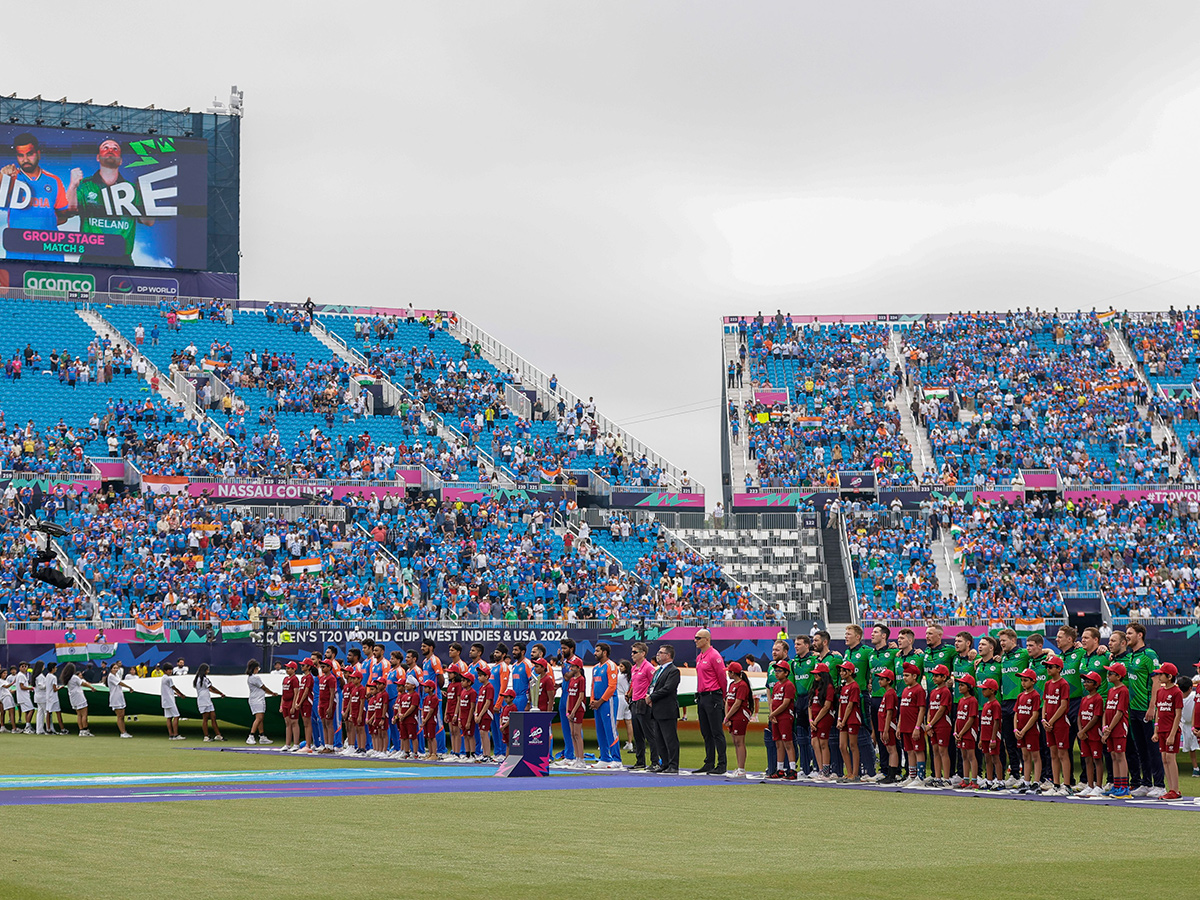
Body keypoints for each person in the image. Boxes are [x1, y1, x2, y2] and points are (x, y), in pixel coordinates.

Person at [73, 138, 159, 267]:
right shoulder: (85, 185)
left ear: (121, 160)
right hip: (90, 258)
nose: (110, 150)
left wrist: (145, 195)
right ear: (98, 157)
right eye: (105, 147)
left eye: (115, 148)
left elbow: (149, 221)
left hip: (122, 261)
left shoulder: (133, 189)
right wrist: (72, 186)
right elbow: (68, 211)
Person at [1124, 623, 1165, 798]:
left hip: (1146, 709)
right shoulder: (1131, 656)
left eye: (1130, 633)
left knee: (1152, 748)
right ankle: (1146, 783)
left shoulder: (1149, 655)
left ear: (1140, 635)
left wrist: (1152, 707)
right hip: (1133, 708)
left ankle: (1160, 785)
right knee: (1140, 747)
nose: (1127, 636)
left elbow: (1156, 682)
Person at [691, 629, 728, 775]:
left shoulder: (714, 656)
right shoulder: (700, 656)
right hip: (702, 696)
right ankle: (709, 762)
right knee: (706, 731)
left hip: (713, 695)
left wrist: (722, 696)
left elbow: (722, 677)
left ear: (707, 639)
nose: (695, 640)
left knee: (716, 731)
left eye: (698, 638)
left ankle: (722, 763)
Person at [1151, 662, 1184, 801]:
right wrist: (1156, 730)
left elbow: (1178, 715)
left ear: (1169, 676)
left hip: (1171, 731)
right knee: (1164, 759)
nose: (1158, 676)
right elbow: (1158, 712)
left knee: (1170, 758)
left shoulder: (1176, 692)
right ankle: (1171, 789)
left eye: (1161, 674)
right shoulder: (1160, 691)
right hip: (1162, 730)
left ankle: (1175, 790)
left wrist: (1172, 733)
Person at [646, 644, 680, 774]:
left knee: (670, 739)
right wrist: (649, 696)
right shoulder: (658, 670)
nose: (658, 655)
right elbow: (653, 685)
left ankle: (673, 764)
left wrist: (652, 697)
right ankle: (665, 763)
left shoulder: (673, 671)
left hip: (667, 709)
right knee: (659, 739)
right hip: (656, 709)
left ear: (668, 655)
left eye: (661, 653)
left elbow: (668, 688)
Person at [1101, 662, 1131, 798]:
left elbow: (1119, 712)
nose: (1108, 676)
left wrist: (1109, 729)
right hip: (1110, 728)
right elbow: (1107, 710)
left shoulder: (1123, 690)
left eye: (1111, 673)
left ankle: (1124, 787)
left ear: (1119, 676)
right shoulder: (1111, 690)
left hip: (1118, 728)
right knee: (1113, 755)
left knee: (1120, 755)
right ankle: (1117, 785)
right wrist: (1105, 728)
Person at [1042, 656, 1071, 795]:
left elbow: (1063, 706)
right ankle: (1056, 784)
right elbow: (1046, 703)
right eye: (1047, 666)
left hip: (1059, 723)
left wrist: (1051, 721)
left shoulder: (1063, 684)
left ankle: (1067, 785)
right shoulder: (1048, 684)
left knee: (1062, 754)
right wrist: (1043, 720)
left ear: (1059, 669)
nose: (1048, 669)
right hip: (1049, 723)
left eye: (1051, 666)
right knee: (1053, 754)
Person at [590, 642, 622, 768]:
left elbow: (612, 686)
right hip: (597, 702)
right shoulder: (595, 667)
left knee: (610, 729)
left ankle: (617, 759)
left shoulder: (611, 666)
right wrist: (593, 700)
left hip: (608, 702)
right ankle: (604, 757)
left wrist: (600, 701)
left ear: (604, 652)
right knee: (600, 730)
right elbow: (593, 685)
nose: (595, 653)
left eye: (597, 651)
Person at [767, 659, 797, 781]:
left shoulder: (789, 685)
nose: (776, 673)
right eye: (775, 671)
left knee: (788, 743)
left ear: (786, 673)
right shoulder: (777, 685)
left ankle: (792, 769)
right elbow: (774, 700)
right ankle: (780, 769)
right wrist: (772, 714)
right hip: (776, 717)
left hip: (785, 716)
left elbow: (785, 703)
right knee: (778, 743)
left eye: (779, 671)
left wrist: (773, 713)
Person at [923, 664, 953, 787]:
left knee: (943, 751)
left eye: (937, 675)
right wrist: (929, 724)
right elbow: (931, 708)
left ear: (944, 677)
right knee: (934, 751)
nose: (934, 678)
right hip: (933, 725)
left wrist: (931, 724)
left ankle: (946, 778)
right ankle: (937, 776)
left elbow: (941, 709)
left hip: (943, 724)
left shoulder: (945, 691)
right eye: (933, 675)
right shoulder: (933, 691)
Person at [897, 662, 927, 787]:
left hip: (914, 726)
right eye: (903, 675)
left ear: (914, 676)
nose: (904, 678)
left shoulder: (919, 690)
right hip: (905, 726)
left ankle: (920, 777)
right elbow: (902, 709)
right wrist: (899, 726)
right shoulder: (904, 690)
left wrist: (917, 727)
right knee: (909, 751)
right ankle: (912, 775)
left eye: (907, 675)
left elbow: (921, 709)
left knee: (918, 750)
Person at [1077, 671, 1106, 796]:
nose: (1085, 684)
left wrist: (1084, 730)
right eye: (1085, 681)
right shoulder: (1084, 699)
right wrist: (1080, 730)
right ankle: (1090, 785)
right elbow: (1079, 716)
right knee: (1087, 759)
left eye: (1089, 681)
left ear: (1096, 684)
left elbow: (1095, 717)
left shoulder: (1098, 699)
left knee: (1097, 759)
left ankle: (1099, 786)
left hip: (1094, 734)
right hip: (1084, 735)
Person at [722, 661, 752, 778]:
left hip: (740, 716)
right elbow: (727, 701)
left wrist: (727, 716)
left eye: (729, 672)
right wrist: (727, 717)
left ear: (733, 673)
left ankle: (741, 769)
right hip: (732, 716)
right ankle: (739, 768)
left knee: (740, 742)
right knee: (735, 742)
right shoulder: (732, 685)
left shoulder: (742, 685)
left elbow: (737, 703)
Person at [1013, 669, 1041, 793]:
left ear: (1033, 681)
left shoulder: (1035, 695)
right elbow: (1016, 713)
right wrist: (1016, 729)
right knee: (1025, 756)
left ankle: (1036, 782)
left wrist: (1023, 730)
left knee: (1035, 755)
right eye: (1022, 680)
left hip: (1031, 731)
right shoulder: (1020, 696)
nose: (1023, 683)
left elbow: (1035, 715)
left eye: (1025, 680)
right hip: (1020, 731)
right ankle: (1026, 781)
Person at [628, 643, 655, 770]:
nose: (632, 654)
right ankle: (640, 761)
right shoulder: (634, 668)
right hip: (634, 702)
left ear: (643, 653)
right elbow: (634, 684)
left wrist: (649, 698)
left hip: (643, 703)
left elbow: (654, 683)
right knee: (637, 734)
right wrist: (629, 694)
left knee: (649, 734)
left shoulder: (648, 667)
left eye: (635, 652)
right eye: (632, 652)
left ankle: (655, 761)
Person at [836, 660, 862, 783]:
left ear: (850, 672)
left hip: (852, 719)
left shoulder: (854, 686)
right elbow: (842, 704)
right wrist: (839, 719)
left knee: (852, 745)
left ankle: (855, 774)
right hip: (844, 720)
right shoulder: (844, 686)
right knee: (842, 746)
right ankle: (849, 772)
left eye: (843, 670)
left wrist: (843, 720)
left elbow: (850, 706)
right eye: (840, 670)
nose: (841, 673)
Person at [953, 673, 979, 790]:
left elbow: (971, 718)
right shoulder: (961, 700)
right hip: (960, 733)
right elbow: (958, 717)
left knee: (971, 755)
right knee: (963, 756)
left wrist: (962, 732)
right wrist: (956, 732)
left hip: (968, 733)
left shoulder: (972, 700)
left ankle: (974, 780)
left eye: (962, 685)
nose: (959, 687)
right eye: (959, 685)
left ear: (969, 687)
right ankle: (965, 779)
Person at [979, 678, 1003, 791]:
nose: (983, 692)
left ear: (992, 690)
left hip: (992, 736)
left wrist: (993, 738)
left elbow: (996, 722)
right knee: (987, 759)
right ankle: (989, 780)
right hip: (984, 736)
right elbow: (983, 722)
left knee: (995, 758)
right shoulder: (985, 705)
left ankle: (1000, 781)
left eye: (985, 689)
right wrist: (980, 739)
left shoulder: (995, 704)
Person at [246, 659, 277, 745]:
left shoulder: (251, 677)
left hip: (258, 699)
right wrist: (272, 693)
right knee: (259, 718)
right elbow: (263, 687)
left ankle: (262, 736)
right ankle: (251, 736)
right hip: (256, 700)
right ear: (255, 668)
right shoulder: (255, 677)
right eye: (257, 668)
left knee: (260, 719)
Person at [193, 663, 225, 742]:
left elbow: (209, 689)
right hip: (204, 700)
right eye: (207, 670)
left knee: (213, 717)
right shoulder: (203, 679)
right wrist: (221, 693)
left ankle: (218, 735)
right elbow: (211, 687)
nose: (208, 671)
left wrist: (219, 693)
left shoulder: (197, 679)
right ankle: (206, 736)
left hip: (206, 699)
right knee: (205, 718)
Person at [60, 663, 93, 737]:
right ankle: (85, 730)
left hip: (73, 697)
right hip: (79, 696)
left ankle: (81, 730)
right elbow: (83, 683)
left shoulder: (67, 678)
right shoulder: (74, 677)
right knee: (84, 714)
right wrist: (92, 687)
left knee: (79, 715)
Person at [566, 656, 588, 768]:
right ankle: (576, 758)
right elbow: (569, 695)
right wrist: (567, 711)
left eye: (573, 666)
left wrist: (574, 711)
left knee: (577, 734)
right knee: (572, 734)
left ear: (578, 668)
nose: (571, 668)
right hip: (571, 710)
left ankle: (581, 759)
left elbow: (581, 697)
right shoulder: (572, 680)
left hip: (578, 709)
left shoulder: (581, 680)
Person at [342, 669, 367, 755]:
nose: (352, 680)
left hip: (359, 711)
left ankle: (362, 748)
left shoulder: (361, 689)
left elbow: (361, 702)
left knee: (361, 729)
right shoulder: (354, 689)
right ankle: (358, 748)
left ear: (359, 679)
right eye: (352, 678)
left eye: (354, 678)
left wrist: (360, 715)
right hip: (354, 712)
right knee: (357, 729)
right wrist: (351, 714)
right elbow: (351, 701)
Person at [474, 663, 495, 762]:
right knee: (481, 733)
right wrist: (476, 713)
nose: (478, 677)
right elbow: (479, 701)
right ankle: (484, 754)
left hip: (486, 713)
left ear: (486, 676)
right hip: (480, 713)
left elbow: (488, 702)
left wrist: (480, 714)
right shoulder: (481, 687)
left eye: (480, 675)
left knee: (485, 732)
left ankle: (487, 755)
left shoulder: (489, 687)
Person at [395, 677, 420, 759]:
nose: (406, 685)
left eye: (408, 684)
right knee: (404, 736)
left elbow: (412, 707)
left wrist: (404, 715)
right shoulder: (404, 696)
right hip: (403, 719)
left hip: (411, 719)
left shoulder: (415, 695)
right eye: (406, 684)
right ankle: (406, 752)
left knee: (412, 736)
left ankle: (415, 753)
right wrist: (400, 714)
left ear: (413, 686)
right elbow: (400, 706)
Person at [317, 658, 338, 753]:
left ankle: (330, 746)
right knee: (324, 724)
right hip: (321, 703)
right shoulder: (322, 678)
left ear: (329, 667)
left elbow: (332, 693)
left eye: (324, 666)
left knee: (329, 724)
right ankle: (326, 745)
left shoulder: (331, 678)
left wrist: (330, 707)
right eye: (321, 667)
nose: (322, 668)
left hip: (328, 703)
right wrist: (318, 705)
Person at [107, 663, 133, 738]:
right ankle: (122, 732)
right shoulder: (111, 676)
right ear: (111, 669)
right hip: (115, 698)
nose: (116, 669)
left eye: (117, 668)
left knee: (122, 715)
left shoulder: (117, 675)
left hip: (120, 696)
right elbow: (120, 683)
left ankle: (124, 732)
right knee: (119, 716)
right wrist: (129, 687)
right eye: (114, 668)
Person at [296, 659, 316, 752]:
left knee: (307, 723)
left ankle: (308, 745)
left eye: (304, 665)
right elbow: (301, 691)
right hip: (303, 702)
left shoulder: (309, 677)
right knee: (305, 723)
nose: (302, 667)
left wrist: (299, 703)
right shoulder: (303, 678)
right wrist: (297, 702)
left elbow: (306, 691)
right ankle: (308, 744)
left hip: (307, 702)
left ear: (308, 667)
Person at [366, 680, 390, 758]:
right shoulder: (379, 695)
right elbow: (377, 708)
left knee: (384, 733)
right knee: (379, 733)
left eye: (380, 684)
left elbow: (385, 706)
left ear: (384, 685)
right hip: (377, 717)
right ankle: (379, 750)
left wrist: (383, 718)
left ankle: (384, 750)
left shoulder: (385, 694)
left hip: (382, 716)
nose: (378, 685)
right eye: (378, 684)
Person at [281, 661, 301, 752]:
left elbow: (296, 693)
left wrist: (294, 705)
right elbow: (283, 693)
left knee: (294, 723)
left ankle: (296, 744)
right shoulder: (285, 679)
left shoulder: (295, 679)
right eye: (287, 668)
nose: (287, 670)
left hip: (291, 702)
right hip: (285, 702)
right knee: (287, 723)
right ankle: (287, 744)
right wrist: (281, 705)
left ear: (294, 669)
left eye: (289, 668)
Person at [616, 659, 635, 752]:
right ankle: (630, 743)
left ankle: (610, 742)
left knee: (615, 721)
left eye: (621, 666)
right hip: (628, 699)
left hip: (620, 698)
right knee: (628, 721)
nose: (619, 668)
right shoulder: (630, 677)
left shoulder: (619, 676)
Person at [420, 679, 440, 761]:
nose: (424, 689)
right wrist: (423, 718)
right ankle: (430, 752)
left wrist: (425, 719)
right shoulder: (426, 698)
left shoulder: (434, 698)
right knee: (428, 737)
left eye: (426, 687)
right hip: (426, 719)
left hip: (431, 720)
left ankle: (434, 753)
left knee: (432, 736)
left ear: (431, 688)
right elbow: (423, 709)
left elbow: (431, 710)